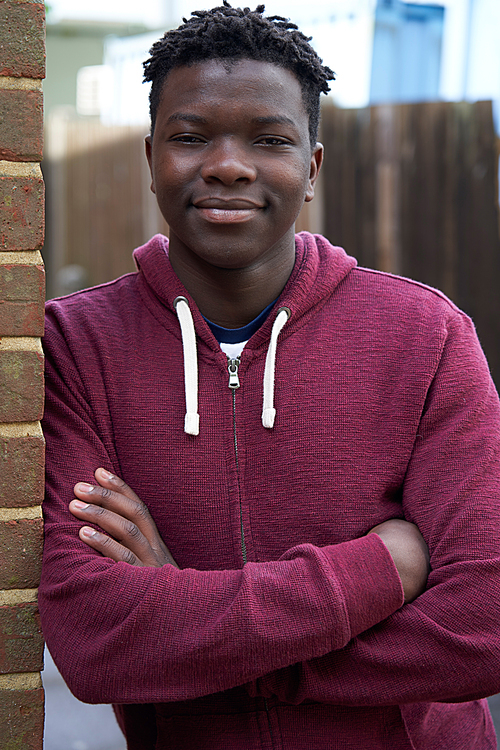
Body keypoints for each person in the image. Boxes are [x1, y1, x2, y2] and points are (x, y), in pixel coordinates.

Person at [39, 4, 500, 749]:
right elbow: (95, 644)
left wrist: (206, 639)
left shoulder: (425, 338)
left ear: (311, 168)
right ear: (150, 158)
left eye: (269, 139)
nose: (227, 164)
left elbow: (484, 622)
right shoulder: (74, 348)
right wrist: (381, 568)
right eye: (191, 137)